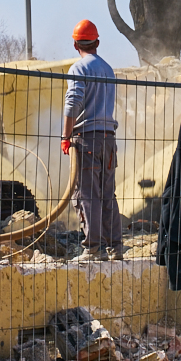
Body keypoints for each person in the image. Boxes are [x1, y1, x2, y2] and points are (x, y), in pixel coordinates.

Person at [61, 19, 124, 261]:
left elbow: (73, 103)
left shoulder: (78, 68)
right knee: (108, 194)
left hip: (87, 140)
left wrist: (66, 137)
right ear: (97, 42)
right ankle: (115, 247)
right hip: (109, 141)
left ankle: (93, 249)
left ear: (75, 44)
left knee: (87, 194)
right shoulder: (107, 69)